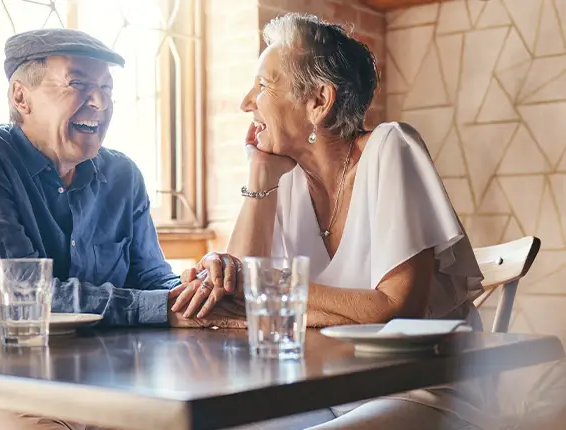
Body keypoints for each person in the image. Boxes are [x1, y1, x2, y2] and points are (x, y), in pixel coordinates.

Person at [171, 13, 491, 430]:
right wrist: (259, 179)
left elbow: (395, 310)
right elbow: (236, 298)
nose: (247, 102)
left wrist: (272, 293)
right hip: (325, 389)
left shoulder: (390, 148)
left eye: (264, 85)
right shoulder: (282, 177)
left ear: (319, 101)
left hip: (423, 391)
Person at [0, 28, 244, 430]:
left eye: (107, 88)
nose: (101, 102)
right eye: (79, 84)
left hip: (107, 384)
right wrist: (164, 307)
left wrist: (198, 289)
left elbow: (152, 278)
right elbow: (25, 300)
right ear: (21, 97)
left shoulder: (122, 175)